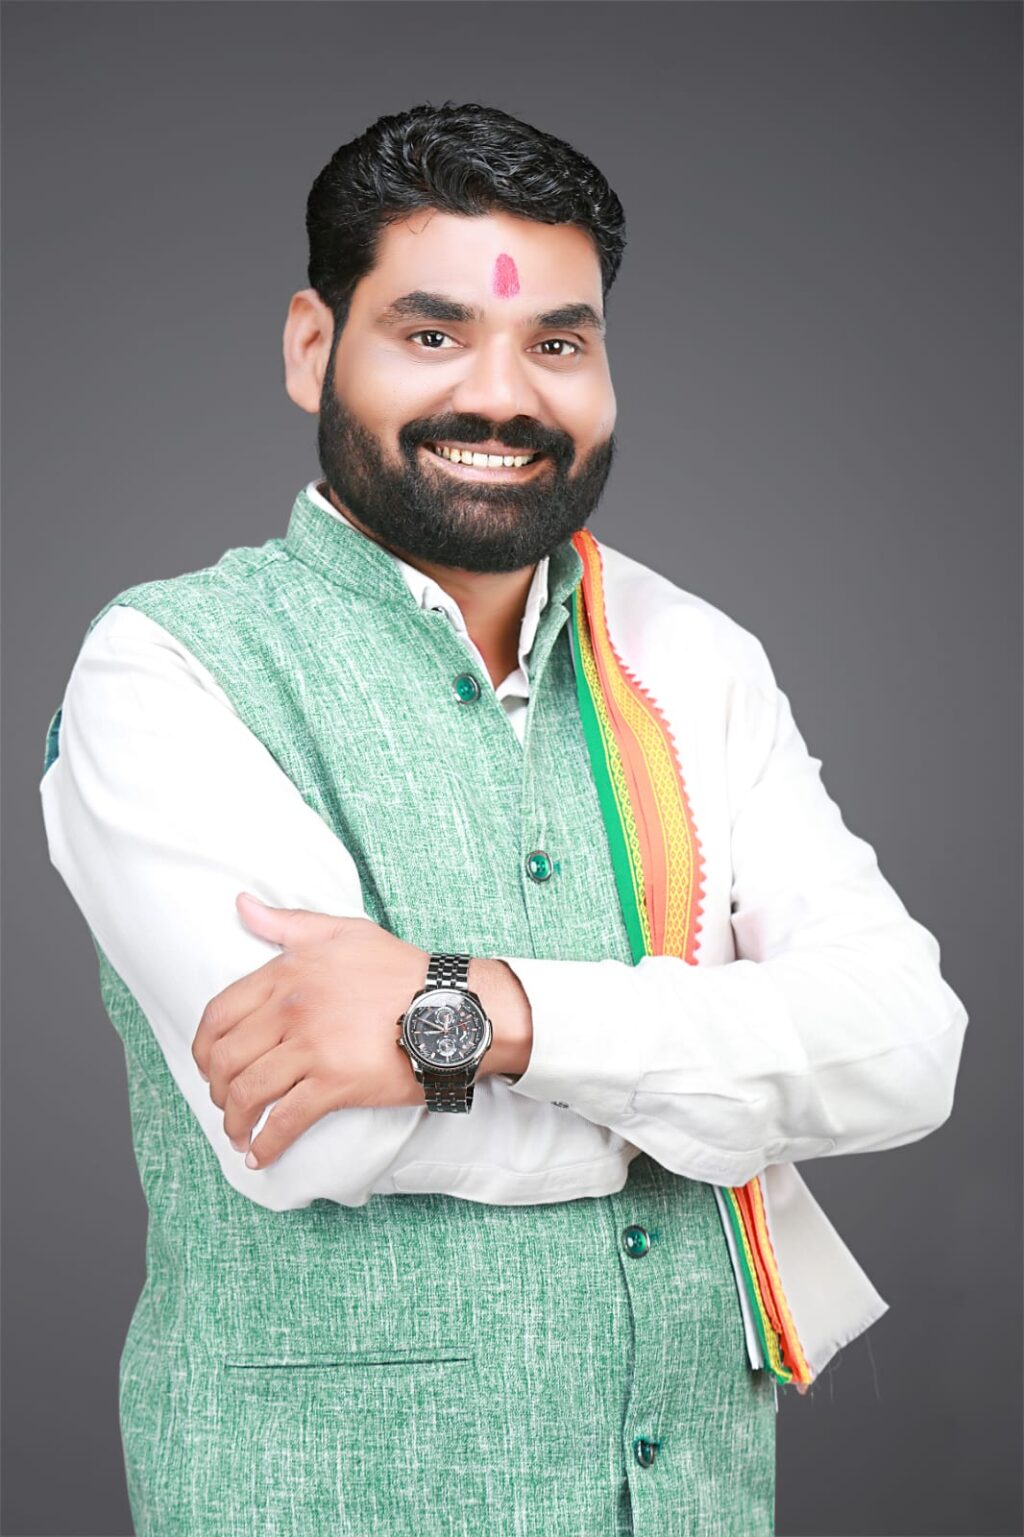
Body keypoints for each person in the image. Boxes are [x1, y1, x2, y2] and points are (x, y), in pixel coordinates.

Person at [39, 100, 967, 1537]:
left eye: (557, 343)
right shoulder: (170, 665)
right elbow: (314, 1133)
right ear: (312, 348)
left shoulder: (687, 656)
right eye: (432, 333)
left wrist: (487, 1017)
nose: (503, 396)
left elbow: (907, 1046)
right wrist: (724, 1089)